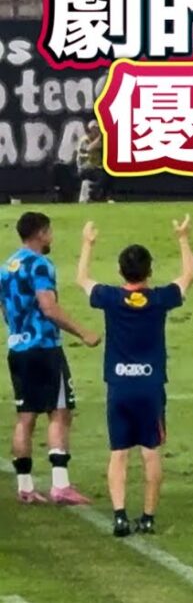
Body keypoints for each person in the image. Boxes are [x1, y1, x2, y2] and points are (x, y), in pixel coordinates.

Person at [76, 215, 193, 536]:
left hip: (119, 386)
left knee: (118, 453)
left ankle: (119, 515)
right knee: (150, 451)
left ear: (120, 271)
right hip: (151, 387)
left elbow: (82, 278)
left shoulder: (111, 298)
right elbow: (188, 277)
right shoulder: (159, 299)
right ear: (149, 271)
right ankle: (148, 517)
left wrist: (87, 243)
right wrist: (183, 238)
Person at [2, 212, 101, 506]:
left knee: (25, 417)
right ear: (41, 233)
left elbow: (5, 309)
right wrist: (83, 332)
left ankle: (25, 487)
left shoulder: (6, 267)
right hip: (43, 347)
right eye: (49, 232)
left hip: (17, 348)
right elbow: (48, 307)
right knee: (59, 411)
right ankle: (60, 485)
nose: (51, 237)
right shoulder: (40, 264)